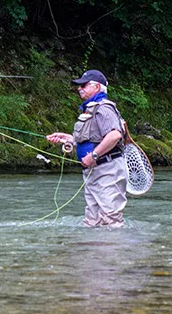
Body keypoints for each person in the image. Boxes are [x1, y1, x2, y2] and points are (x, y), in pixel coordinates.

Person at [46, 70, 127, 227]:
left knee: (110, 220)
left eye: (83, 85)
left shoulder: (104, 108)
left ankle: (116, 250)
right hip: (95, 171)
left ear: (96, 87)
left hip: (107, 170)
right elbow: (92, 140)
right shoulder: (90, 109)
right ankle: (91, 251)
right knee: (92, 221)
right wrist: (68, 138)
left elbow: (115, 135)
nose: (79, 89)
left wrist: (93, 156)